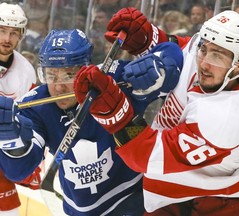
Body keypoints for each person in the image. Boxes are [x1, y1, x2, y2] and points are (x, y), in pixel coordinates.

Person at [75, 8, 239, 215]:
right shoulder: (217, 61)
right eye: (204, 49)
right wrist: (147, 40)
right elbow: (182, 49)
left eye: (217, 56)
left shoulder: (227, 119)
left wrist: (114, 112)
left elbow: (144, 154)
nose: (204, 63)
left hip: (227, 202)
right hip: (170, 196)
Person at [0, 28, 183, 216]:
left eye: (68, 75)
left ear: (85, 67)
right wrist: (12, 142)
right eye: (51, 76)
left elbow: (174, 53)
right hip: (76, 209)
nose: (59, 87)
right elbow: (18, 171)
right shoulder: (35, 105)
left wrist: (160, 67)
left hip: (133, 199)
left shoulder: (113, 79)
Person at [0, 3, 38, 216]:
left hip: (2, 151)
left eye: (14, 33)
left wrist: (33, 159)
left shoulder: (26, 72)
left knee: (8, 212)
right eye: (2, 31)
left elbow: (30, 117)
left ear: (21, 35)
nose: (7, 38)